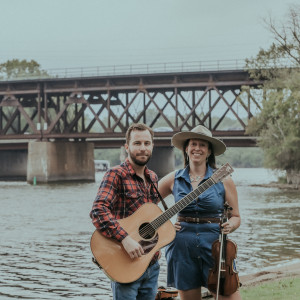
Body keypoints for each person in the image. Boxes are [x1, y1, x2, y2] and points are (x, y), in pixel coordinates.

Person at [158, 125, 242, 300]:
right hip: (182, 246)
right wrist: (165, 226)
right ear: (186, 149)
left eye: (202, 145)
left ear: (209, 151)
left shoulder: (224, 179)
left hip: (215, 247)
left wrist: (230, 226)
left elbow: (236, 217)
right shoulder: (174, 178)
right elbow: (145, 204)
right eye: (193, 144)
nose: (197, 148)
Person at [90, 123, 161, 300]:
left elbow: (147, 218)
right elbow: (98, 211)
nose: (143, 148)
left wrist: (167, 227)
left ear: (152, 146)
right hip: (126, 263)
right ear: (127, 147)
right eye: (137, 143)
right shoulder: (115, 174)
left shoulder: (152, 177)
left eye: (147, 143)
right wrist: (125, 239)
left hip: (151, 264)